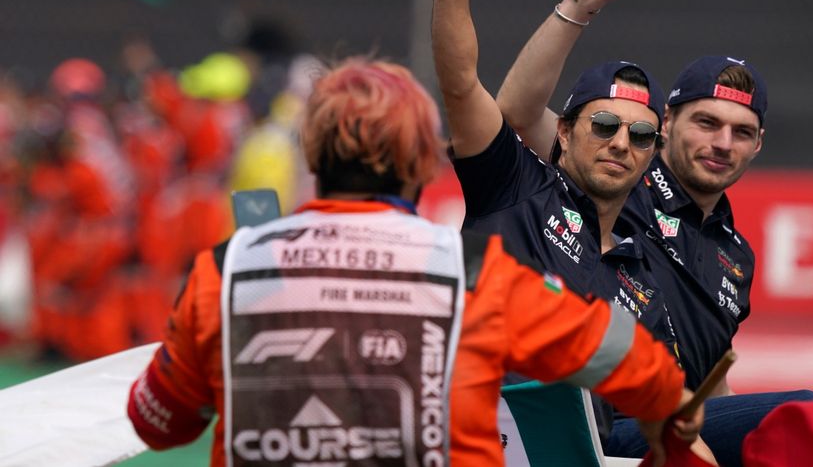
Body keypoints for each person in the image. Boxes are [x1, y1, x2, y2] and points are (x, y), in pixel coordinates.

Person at [126, 57, 700, 466]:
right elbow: (633, 364)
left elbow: (157, 422)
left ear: (312, 154)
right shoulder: (473, 272)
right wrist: (670, 413)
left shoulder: (229, 269)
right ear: (424, 163)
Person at [492, 0, 813, 467]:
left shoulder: (737, 254)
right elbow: (516, 109)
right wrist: (581, 3)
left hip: (679, 431)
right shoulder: (617, 179)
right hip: (610, 426)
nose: (721, 143)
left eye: (741, 131)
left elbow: (716, 389)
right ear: (665, 125)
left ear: (759, 144)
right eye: (706, 122)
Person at [429, 0, 716, 464]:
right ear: (563, 130)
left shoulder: (645, 269)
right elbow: (460, 83)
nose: (621, 145)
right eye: (605, 126)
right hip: (478, 443)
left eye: (641, 137)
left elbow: (656, 400)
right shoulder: (514, 184)